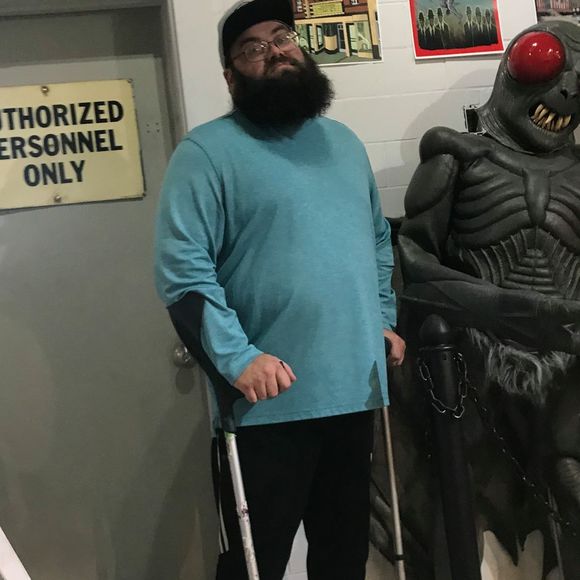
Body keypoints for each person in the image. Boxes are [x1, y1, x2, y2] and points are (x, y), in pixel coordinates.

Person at [154, 0, 405, 578]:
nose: (275, 51)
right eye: (253, 47)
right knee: (254, 564)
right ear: (230, 76)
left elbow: (374, 240)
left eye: (283, 37)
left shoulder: (343, 143)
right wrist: (238, 359)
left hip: (354, 392)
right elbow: (182, 273)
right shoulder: (205, 153)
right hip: (265, 405)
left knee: (343, 560)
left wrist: (382, 319)